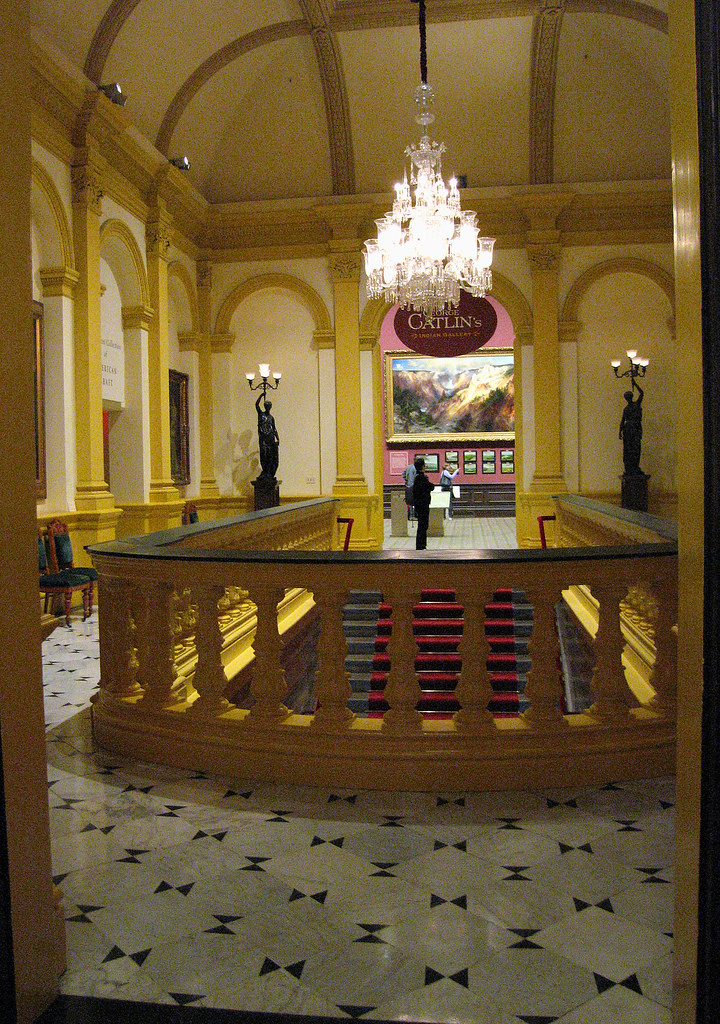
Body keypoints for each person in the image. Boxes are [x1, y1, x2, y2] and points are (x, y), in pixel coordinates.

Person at [619, 378, 644, 475]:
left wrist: (635, 383)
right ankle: (629, 468)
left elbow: (641, 393)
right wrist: (620, 431)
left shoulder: (635, 405)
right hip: (629, 429)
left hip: (634, 429)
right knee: (629, 449)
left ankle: (634, 467)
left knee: (635, 449)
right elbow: (622, 420)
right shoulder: (628, 408)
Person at [412, 457, 435, 550]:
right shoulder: (421, 478)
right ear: (422, 466)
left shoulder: (417, 477)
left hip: (419, 504)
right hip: (423, 505)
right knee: (423, 525)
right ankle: (421, 545)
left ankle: (421, 545)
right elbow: (431, 487)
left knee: (422, 525)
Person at [256, 392, 279, 478]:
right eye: (266, 406)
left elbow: (274, 428)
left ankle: (268, 472)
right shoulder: (261, 414)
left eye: (269, 406)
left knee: (270, 455)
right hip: (263, 438)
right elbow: (256, 405)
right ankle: (264, 471)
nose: (268, 408)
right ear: (265, 407)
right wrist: (261, 396)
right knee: (263, 454)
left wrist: (277, 438)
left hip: (270, 438)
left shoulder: (271, 418)